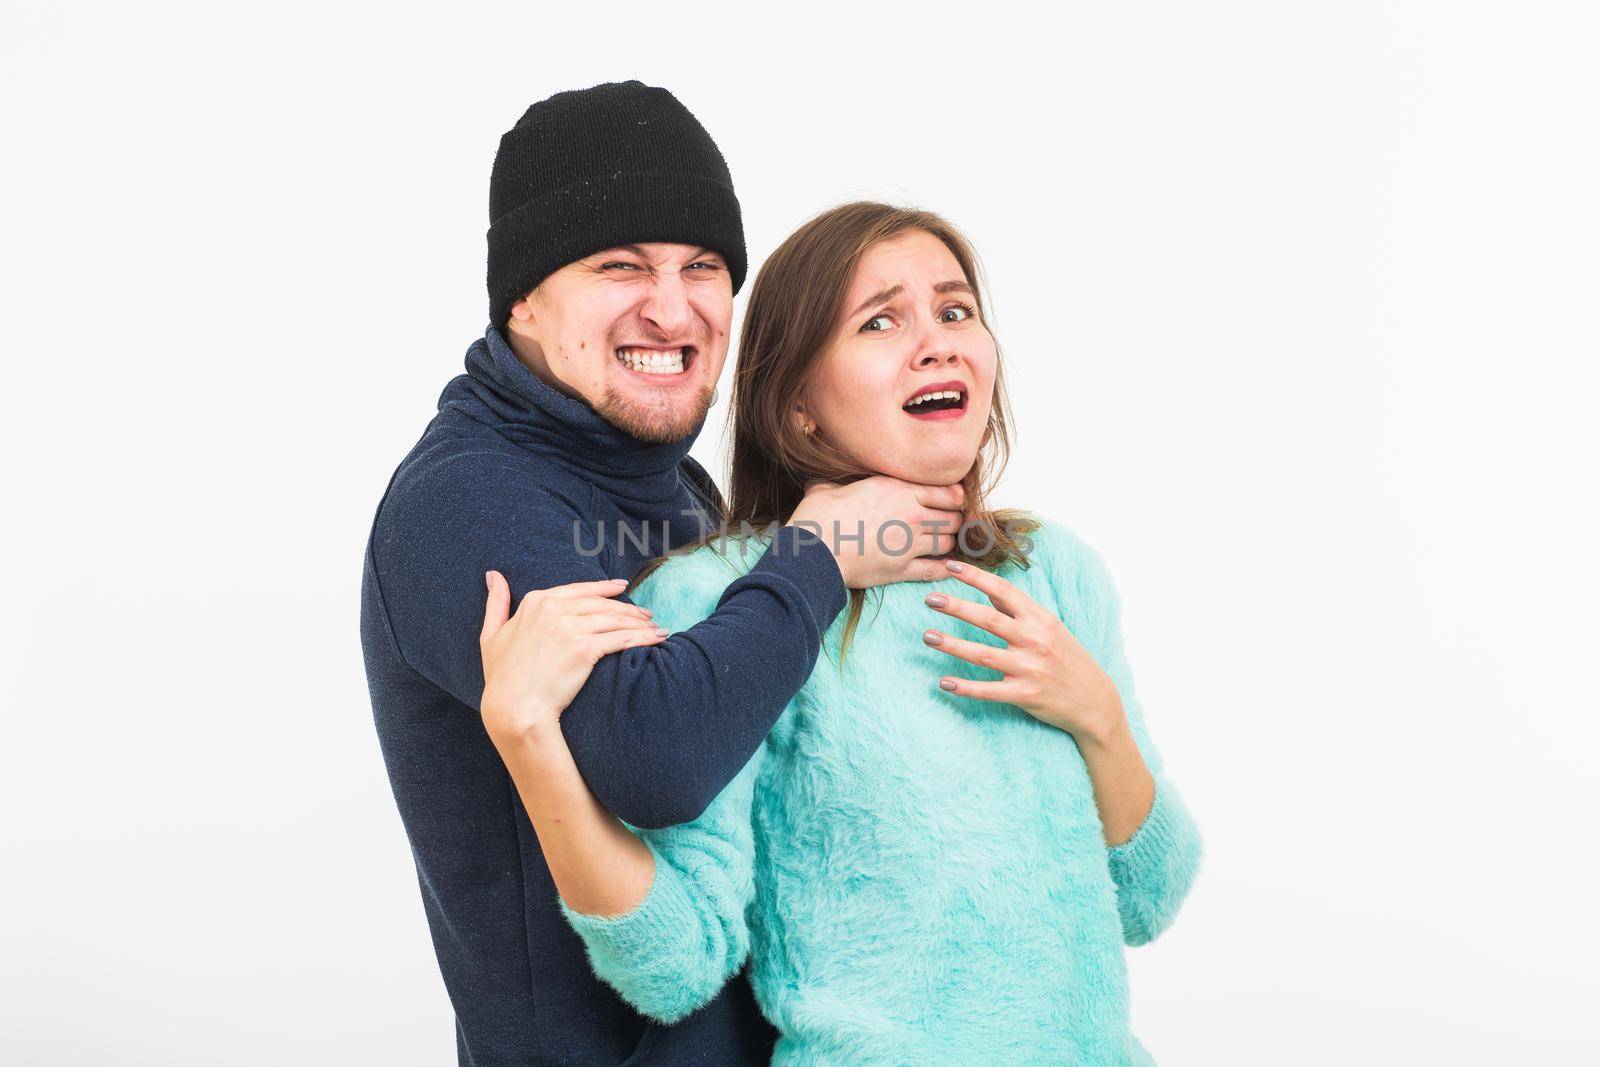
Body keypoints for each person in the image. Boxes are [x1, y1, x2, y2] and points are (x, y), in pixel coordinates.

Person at [478, 202, 1206, 1065]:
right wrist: (528, 741)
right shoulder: (715, 597)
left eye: (954, 309)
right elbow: (674, 965)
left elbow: (1150, 897)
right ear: (798, 409)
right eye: (880, 320)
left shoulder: (1055, 571)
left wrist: (1099, 716)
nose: (935, 341)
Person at [359, 85, 965, 1067]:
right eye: (619, 267)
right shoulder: (467, 500)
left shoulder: (670, 479)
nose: (673, 307)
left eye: (704, 266)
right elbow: (657, 756)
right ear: (521, 294)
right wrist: (811, 559)